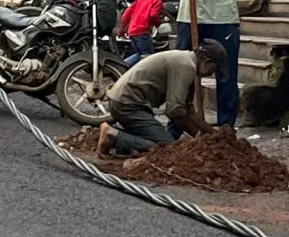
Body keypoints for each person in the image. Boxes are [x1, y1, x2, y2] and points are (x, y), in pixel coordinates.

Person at [97, 40, 227, 158]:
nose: (211, 74)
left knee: (156, 139)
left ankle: (118, 136)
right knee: (167, 146)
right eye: (213, 70)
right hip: (127, 105)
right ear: (207, 62)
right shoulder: (186, 66)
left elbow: (190, 113)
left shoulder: (187, 61)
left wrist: (214, 135)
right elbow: (174, 111)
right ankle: (112, 135)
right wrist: (198, 138)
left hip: (124, 102)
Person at [120, 0, 173, 67]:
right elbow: (153, 15)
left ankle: (121, 65)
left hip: (132, 32)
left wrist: (122, 28)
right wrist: (158, 24)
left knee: (140, 55)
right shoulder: (158, 1)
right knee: (148, 57)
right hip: (142, 32)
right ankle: (122, 66)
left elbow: (127, 13)